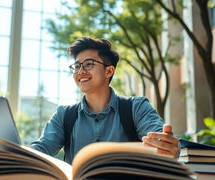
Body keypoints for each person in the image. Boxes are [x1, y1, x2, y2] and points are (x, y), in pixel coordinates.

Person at [30, 36, 179, 164]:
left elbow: (160, 138)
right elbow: (42, 148)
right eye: (76, 66)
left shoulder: (136, 107)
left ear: (109, 71)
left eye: (88, 64)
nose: (80, 71)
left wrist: (167, 146)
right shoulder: (64, 115)